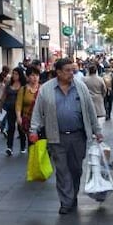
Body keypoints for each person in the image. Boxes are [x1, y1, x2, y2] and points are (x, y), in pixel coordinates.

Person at [29, 57, 104, 214]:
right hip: (56, 136)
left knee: (76, 169)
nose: (72, 73)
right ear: (58, 72)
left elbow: (90, 110)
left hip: (78, 137)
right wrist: (33, 130)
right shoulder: (47, 89)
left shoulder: (80, 87)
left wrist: (97, 131)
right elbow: (38, 111)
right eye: (68, 70)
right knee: (62, 170)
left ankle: (72, 196)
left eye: (73, 70)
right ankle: (65, 202)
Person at [15, 67, 41, 154]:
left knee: (41, 142)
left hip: (41, 120)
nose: (35, 78)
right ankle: (32, 160)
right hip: (28, 120)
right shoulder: (23, 90)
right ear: (28, 77)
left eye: (37, 75)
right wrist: (19, 117)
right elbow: (18, 104)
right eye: (32, 75)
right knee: (32, 141)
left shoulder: (43, 89)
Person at [2, 68, 25, 156]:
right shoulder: (9, 84)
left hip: (21, 110)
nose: (14, 76)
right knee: (11, 127)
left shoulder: (23, 85)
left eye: (16, 74)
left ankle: (23, 145)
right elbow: (4, 95)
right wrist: (1, 106)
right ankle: (9, 147)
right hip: (10, 109)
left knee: (21, 128)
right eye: (13, 74)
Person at [83, 63, 108, 130]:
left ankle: (92, 130)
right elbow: (104, 89)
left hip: (88, 98)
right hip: (98, 98)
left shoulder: (84, 79)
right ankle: (98, 130)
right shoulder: (100, 79)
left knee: (90, 115)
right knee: (99, 117)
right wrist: (102, 95)